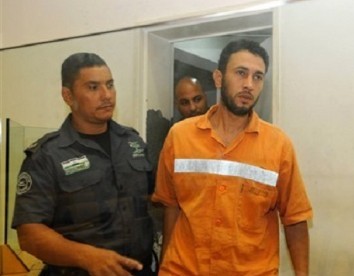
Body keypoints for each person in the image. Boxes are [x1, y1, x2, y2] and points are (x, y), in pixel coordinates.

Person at [152, 39, 313, 275]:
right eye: (241, 73)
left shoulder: (278, 145)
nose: (249, 84)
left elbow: (295, 219)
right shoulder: (179, 136)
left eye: (258, 77)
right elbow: (171, 207)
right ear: (218, 78)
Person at [12, 53, 154, 276]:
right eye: (93, 87)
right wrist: (87, 257)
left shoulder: (133, 143)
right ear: (68, 95)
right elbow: (29, 234)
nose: (107, 95)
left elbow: (155, 202)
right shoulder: (47, 155)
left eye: (110, 85)